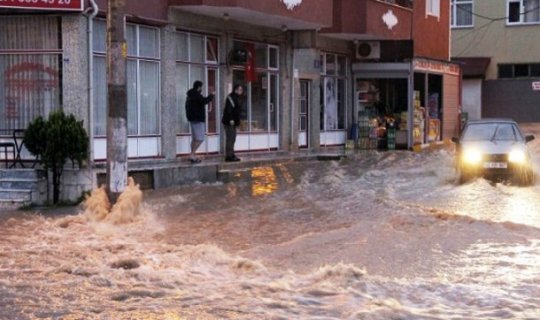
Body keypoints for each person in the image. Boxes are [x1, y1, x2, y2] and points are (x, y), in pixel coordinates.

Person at [185, 80, 214, 163]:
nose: (201, 89)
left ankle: (192, 155)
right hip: (198, 119)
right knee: (200, 138)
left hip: (193, 119)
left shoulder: (190, 95)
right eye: (201, 87)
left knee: (195, 139)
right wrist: (211, 95)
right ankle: (192, 154)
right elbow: (204, 101)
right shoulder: (196, 95)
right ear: (199, 87)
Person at [222, 84, 243, 162]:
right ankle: (229, 156)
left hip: (234, 122)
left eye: (241, 90)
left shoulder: (237, 97)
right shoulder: (231, 97)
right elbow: (228, 109)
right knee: (230, 138)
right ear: (236, 90)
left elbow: (237, 110)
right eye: (240, 90)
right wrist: (231, 119)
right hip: (229, 122)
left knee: (233, 138)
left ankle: (231, 154)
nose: (241, 91)